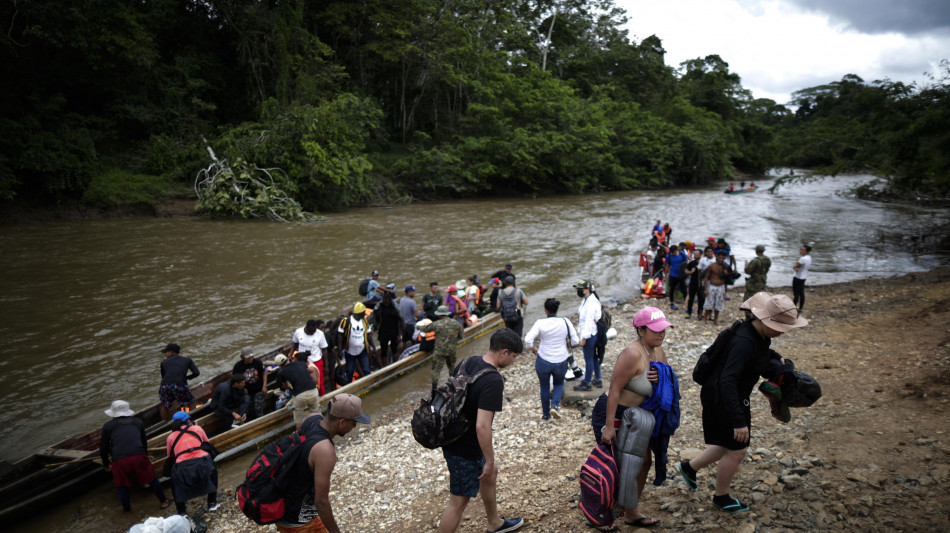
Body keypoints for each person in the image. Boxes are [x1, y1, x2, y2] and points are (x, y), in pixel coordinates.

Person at [678, 292, 807, 514]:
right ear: (767, 320)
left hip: (728, 395)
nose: (783, 333)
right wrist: (737, 420)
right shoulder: (744, 342)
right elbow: (727, 380)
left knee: (729, 443)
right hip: (723, 396)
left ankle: (689, 467)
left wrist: (777, 360)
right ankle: (721, 497)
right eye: (782, 328)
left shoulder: (756, 335)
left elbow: (760, 355)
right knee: (738, 449)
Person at [591, 306, 673, 529]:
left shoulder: (658, 351)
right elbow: (614, 390)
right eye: (656, 331)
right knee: (614, 465)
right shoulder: (631, 354)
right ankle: (600, 513)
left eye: (663, 330)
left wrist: (661, 377)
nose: (661, 334)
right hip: (613, 411)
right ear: (641, 331)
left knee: (643, 461)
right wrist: (608, 427)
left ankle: (630, 510)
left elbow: (667, 380)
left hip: (638, 416)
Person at [438, 328, 525, 533]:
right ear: (503, 352)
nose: (514, 361)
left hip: (452, 436)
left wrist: (489, 463)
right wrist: (490, 458)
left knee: (490, 473)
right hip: (465, 448)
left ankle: (494, 523)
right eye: (513, 356)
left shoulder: (468, 361)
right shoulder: (493, 381)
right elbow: (483, 426)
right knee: (457, 503)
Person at [277, 394, 371, 533]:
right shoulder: (325, 450)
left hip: (281, 506)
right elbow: (321, 501)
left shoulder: (311, 418)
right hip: (299, 521)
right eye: (354, 422)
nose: (355, 426)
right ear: (342, 422)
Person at [100, 400, 170, 512]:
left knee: (122, 485)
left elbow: (103, 448)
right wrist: (144, 456)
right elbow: (143, 441)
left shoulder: (108, 426)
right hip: (138, 455)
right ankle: (163, 501)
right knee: (152, 479)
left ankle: (127, 511)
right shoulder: (138, 422)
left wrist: (106, 464)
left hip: (119, 460)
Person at [524, 298, 579, 420]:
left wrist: (533, 349)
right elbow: (575, 341)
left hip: (543, 359)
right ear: (556, 309)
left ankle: (545, 414)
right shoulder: (565, 321)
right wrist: (568, 345)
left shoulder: (540, 323)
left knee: (544, 386)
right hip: (561, 360)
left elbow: (528, 340)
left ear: (545, 310)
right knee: (558, 384)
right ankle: (555, 406)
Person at [166, 411, 218, 515]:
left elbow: (170, 456)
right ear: (188, 420)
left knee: (174, 482)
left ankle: (181, 511)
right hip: (202, 463)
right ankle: (212, 502)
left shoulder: (170, 437)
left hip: (183, 468)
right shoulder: (197, 429)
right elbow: (207, 444)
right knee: (213, 470)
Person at [419, 305, 464, 395]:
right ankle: (453, 387)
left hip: (439, 351)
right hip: (451, 350)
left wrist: (418, 327)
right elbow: (461, 335)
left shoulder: (437, 324)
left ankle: (434, 391)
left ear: (439, 315)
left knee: (436, 370)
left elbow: (425, 329)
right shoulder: (456, 323)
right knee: (452, 367)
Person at [572, 279, 602, 392]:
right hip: (592, 334)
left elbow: (589, 322)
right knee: (594, 357)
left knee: (588, 358)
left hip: (590, 335)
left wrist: (584, 338)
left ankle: (587, 382)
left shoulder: (590, 303)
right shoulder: (587, 300)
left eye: (580, 289)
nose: (578, 291)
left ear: (587, 290)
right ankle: (598, 379)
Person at [276, 351, 320, 426]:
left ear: (280, 366)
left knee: (298, 419)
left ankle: (300, 436)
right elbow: (311, 370)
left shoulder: (281, 372)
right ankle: (321, 429)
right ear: (288, 359)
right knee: (317, 413)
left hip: (300, 396)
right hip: (313, 391)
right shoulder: (301, 364)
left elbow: (285, 386)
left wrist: (290, 387)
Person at [158, 343, 200, 420]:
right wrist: (187, 378)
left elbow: (164, 377)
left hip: (164, 386)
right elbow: (196, 373)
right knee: (191, 402)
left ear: (171, 352)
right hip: (179, 384)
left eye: (166, 352)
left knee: (164, 405)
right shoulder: (187, 360)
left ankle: (166, 424)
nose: (166, 354)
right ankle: (192, 420)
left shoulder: (163, 363)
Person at [290, 320, 329, 395]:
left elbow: (324, 350)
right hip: (302, 362)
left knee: (319, 383)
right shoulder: (298, 332)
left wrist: (326, 366)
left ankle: (322, 397)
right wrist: (290, 357)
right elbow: (294, 344)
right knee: (302, 381)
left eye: (314, 330)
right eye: (311, 331)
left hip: (316, 361)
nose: (313, 332)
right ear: (307, 328)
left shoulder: (320, 334)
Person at [338, 302, 371, 383]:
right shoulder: (346, 321)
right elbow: (340, 336)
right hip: (350, 351)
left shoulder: (364, 321)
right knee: (350, 370)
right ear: (359, 313)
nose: (365, 314)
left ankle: (369, 383)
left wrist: (372, 346)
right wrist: (339, 350)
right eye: (364, 312)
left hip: (362, 349)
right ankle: (349, 386)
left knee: (366, 369)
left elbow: (368, 334)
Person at [233, 347, 267, 420]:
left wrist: (264, 386)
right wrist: (242, 389)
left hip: (258, 389)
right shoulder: (238, 366)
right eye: (248, 358)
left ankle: (261, 420)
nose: (251, 359)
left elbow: (264, 373)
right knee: (249, 408)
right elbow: (234, 380)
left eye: (252, 357)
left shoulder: (257, 362)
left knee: (258, 407)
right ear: (242, 357)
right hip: (247, 392)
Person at [372, 292, 404, 367]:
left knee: (394, 349)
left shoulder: (395, 308)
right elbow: (376, 319)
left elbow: (400, 321)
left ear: (390, 301)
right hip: (383, 332)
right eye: (384, 301)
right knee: (384, 350)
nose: (385, 303)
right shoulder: (380, 307)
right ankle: (384, 366)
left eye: (386, 302)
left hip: (394, 331)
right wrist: (375, 328)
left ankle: (395, 365)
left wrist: (399, 334)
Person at [743, 245, 772, 317]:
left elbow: (748, 271)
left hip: (754, 282)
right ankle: (758, 315)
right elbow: (767, 270)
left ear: (756, 251)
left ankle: (749, 317)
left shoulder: (755, 261)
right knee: (759, 299)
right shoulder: (768, 259)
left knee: (749, 300)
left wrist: (746, 266)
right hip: (762, 281)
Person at [702, 251, 728, 325]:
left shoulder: (725, 266)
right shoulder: (711, 266)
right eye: (720, 257)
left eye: (723, 258)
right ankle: (705, 320)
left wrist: (726, 272)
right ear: (717, 257)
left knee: (718, 304)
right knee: (708, 304)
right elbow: (706, 278)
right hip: (712, 286)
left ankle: (715, 320)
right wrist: (706, 289)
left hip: (721, 287)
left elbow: (728, 278)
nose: (721, 259)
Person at [665, 245, 686, 310]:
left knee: (684, 289)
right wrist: (666, 274)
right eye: (672, 252)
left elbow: (686, 263)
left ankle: (687, 304)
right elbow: (667, 266)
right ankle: (672, 303)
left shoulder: (682, 255)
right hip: (673, 275)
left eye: (674, 252)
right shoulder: (669, 256)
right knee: (672, 289)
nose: (674, 253)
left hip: (681, 275)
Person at [683, 248, 703, 319]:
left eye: (697, 254)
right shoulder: (692, 262)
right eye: (694, 254)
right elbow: (686, 271)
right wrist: (691, 272)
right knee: (691, 298)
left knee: (701, 299)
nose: (695, 255)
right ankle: (689, 312)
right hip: (692, 282)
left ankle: (699, 314)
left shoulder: (703, 263)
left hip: (701, 283)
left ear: (701, 255)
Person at [792, 244, 812, 311]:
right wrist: (796, 265)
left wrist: (795, 264)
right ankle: (800, 308)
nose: (800, 251)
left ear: (807, 251)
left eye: (802, 250)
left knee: (796, 294)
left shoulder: (803, 258)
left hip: (797, 277)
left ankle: (793, 308)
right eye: (800, 249)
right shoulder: (809, 257)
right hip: (803, 277)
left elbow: (795, 267)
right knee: (802, 293)